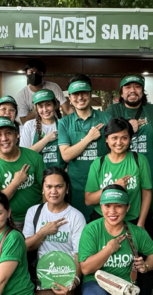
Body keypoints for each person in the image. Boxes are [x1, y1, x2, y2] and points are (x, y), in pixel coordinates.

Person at [77, 185, 153, 295]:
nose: (112, 211)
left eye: (118, 206)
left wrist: (146, 265)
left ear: (127, 207)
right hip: (96, 280)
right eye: (107, 205)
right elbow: (85, 269)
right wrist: (108, 249)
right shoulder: (91, 229)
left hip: (124, 283)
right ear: (101, 207)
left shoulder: (136, 232)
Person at [23, 168, 86, 295]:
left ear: (66, 189)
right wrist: (43, 232)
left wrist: (75, 279)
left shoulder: (75, 216)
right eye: (49, 186)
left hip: (67, 269)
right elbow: (25, 246)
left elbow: (78, 253)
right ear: (43, 188)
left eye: (58, 186)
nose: (53, 191)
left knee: (61, 271)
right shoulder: (34, 212)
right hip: (42, 270)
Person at [58, 75, 112, 220]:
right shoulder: (64, 122)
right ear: (69, 97)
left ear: (90, 94)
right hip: (77, 186)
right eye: (75, 94)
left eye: (84, 93)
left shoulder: (106, 118)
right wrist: (89, 138)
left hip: (103, 182)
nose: (80, 97)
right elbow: (66, 155)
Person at [85, 117, 152, 227]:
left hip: (131, 220)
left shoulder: (139, 160)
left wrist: (141, 223)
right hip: (103, 220)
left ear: (130, 138)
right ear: (106, 139)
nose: (119, 142)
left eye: (124, 138)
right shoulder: (98, 164)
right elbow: (88, 200)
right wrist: (113, 187)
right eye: (114, 138)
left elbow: (146, 194)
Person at [0, 117, 45, 229]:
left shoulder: (34, 158)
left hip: (37, 216)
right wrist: (16, 182)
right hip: (10, 220)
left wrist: (45, 214)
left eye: (8, 133)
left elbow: (46, 189)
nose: (4, 138)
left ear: (16, 135)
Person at [107, 75, 153, 198]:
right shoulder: (113, 110)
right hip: (123, 169)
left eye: (137, 87)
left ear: (142, 92)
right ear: (121, 93)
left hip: (149, 168)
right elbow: (107, 136)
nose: (132, 90)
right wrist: (127, 126)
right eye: (128, 87)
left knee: (150, 206)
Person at [19, 89, 66, 169]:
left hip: (59, 176)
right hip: (37, 175)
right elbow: (24, 156)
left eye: (48, 105)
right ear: (36, 108)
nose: (45, 110)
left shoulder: (64, 124)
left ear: (55, 105)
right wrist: (46, 139)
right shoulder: (29, 125)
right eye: (40, 106)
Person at [15, 58, 72, 124]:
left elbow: (67, 109)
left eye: (38, 72)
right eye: (31, 72)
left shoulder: (53, 87)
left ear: (43, 74)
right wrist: (39, 109)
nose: (34, 75)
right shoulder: (22, 95)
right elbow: (24, 121)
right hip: (34, 128)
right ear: (26, 74)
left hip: (54, 125)